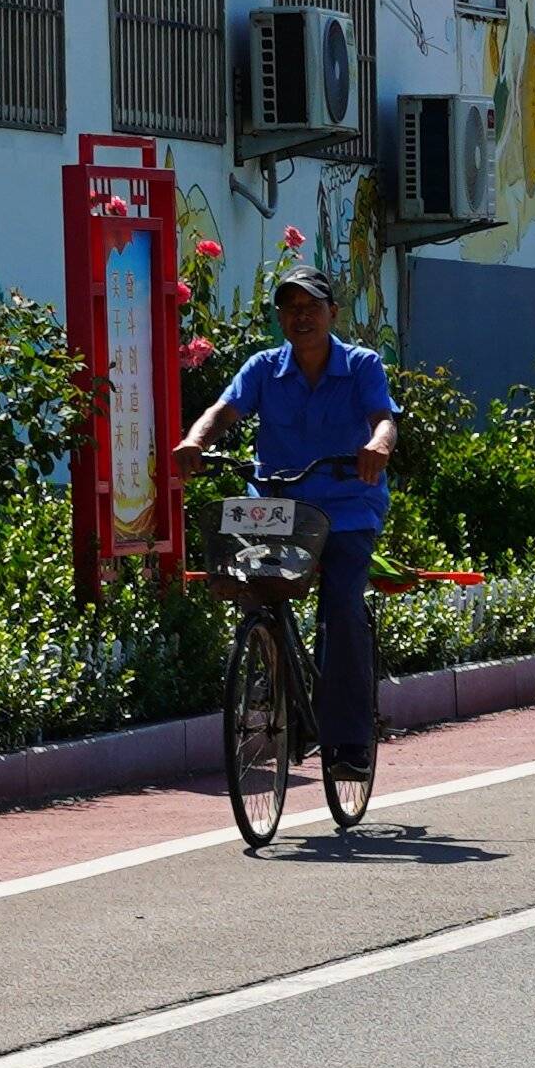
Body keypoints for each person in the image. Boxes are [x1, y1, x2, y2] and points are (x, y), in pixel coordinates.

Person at [182, 265, 401, 784]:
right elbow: (222, 410)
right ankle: (287, 701)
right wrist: (196, 441)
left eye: (311, 307)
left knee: (342, 606)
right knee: (253, 591)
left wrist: (377, 447)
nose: (301, 317)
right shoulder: (263, 368)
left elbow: (384, 419)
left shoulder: (362, 365)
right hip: (278, 510)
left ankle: (349, 742)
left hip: (347, 508)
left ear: (332, 313)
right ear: (281, 316)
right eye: (291, 308)